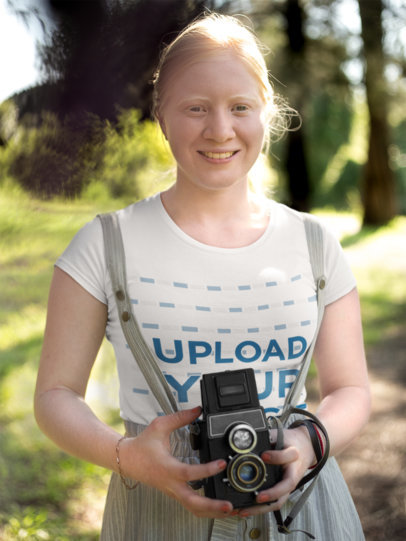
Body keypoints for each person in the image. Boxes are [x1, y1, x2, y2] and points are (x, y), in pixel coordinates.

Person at [34, 13, 370, 541]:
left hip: (305, 515)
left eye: (240, 107)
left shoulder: (315, 244)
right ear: (161, 116)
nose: (220, 130)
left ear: (267, 113)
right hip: (157, 516)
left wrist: (309, 444)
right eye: (196, 108)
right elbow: (54, 395)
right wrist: (128, 457)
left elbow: (351, 388)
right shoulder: (105, 244)